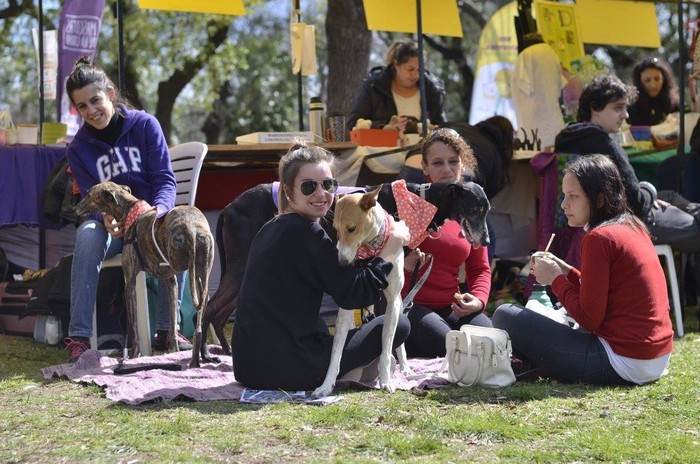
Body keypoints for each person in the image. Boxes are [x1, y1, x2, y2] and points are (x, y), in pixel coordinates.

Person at [231, 142, 411, 391]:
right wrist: (392, 246)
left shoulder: (270, 227)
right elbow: (355, 295)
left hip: (247, 367)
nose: (321, 194)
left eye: (328, 184)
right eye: (308, 186)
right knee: (401, 324)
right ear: (287, 191)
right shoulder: (308, 232)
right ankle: (357, 368)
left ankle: (354, 366)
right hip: (292, 369)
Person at [493, 154, 674, 385]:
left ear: (599, 200)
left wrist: (556, 279)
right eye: (564, 195)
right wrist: (567, 271)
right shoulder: (632, 225)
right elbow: (606, 294)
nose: (563, 204)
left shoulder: (600, 237)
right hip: (655, 358)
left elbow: (589, 318)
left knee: (504, 314)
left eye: (573, 196)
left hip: (624, 361)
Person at [62, 56, 188, 362]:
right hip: (113, 230)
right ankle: (78, 336)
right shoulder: (77, 149)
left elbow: (164, 179)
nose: (91, 111)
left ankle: (167, 330)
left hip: (151, 221)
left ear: (111, 94)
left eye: (95, 100)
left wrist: (160, 211)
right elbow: (91, 200)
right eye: (82, 107)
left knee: (179, 228)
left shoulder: (145, 126)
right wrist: (103, 219)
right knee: (88, 234)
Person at [554, 74, 700, 259]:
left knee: (669, 196)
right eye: (618, 108)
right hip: (626, 220)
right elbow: (637, 203)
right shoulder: (603, 144)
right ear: (595, 108)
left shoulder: (566, 139)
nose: (626, 115)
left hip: (601, 217)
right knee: (695, 228)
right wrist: (649, 189)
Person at [401, 128, 492, 359]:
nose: (447, 169)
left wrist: (478, 301)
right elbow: (379, 261)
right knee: (453, 348)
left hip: (452, 306)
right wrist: (403, 261)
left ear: (463, 165)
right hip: (410, 307)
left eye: (453, 162)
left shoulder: (471, 207)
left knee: (490, 341)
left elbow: (479, 269)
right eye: (438, 163)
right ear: (424, 167)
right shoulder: (409, 204)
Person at [346, 39, 447, 133]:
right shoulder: (374, 86)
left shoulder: (432, 90)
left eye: (420, 69)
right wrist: (386, 127)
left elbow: (443, 128)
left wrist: (427, 128)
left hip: (422, 150)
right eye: (410, 69)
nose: (416, 75)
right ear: (396, 64)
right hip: (382, 150)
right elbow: (353, 123)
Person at [627, 58, 680, 126]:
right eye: (647, 80)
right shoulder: (631, 109)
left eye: (657, 79)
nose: (653, 85)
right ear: (639, 82)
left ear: (664, 78)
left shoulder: (675, 105)